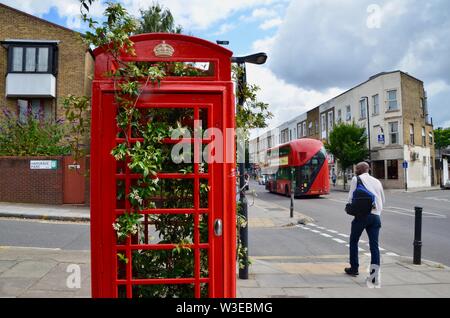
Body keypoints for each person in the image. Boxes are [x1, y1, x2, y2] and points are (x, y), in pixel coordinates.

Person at [345, 162, 385, 281]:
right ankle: (374, 276)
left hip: (362, 216)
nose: (355, 170)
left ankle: (354, 268)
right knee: (374, 247)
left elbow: (350, 198)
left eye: (357, 168)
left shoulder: (356, 179)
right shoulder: (377, 181)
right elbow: (383, 200)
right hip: (376, 216)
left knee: (353, 241)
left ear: (362, 169)